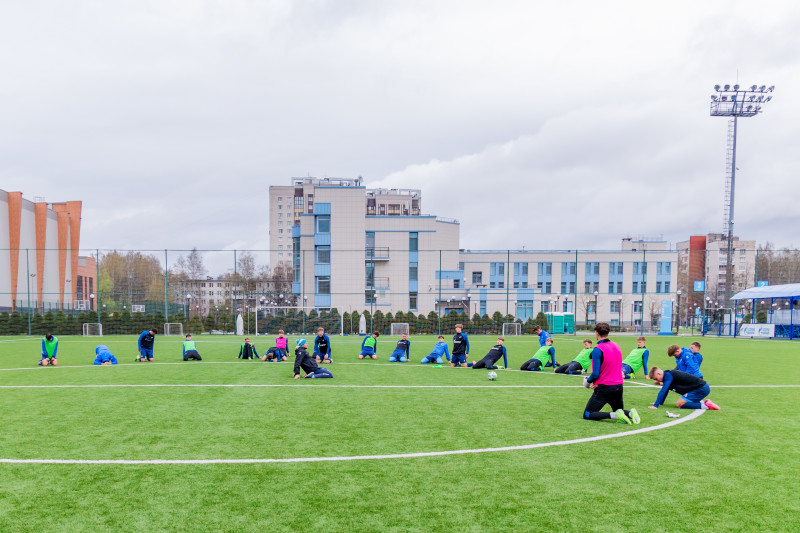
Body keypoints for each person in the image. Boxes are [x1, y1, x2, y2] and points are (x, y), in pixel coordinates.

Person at [582, 322, 640, 424]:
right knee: (619, 410)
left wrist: (587, 381)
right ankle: (631, 414)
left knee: (588, 414)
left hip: (605, 388)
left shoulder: (597, 350)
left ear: (596, 333)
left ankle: (614, 416)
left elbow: (595, 374)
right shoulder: (616, 346)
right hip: (618, 386)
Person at [648, 367, 720, 411]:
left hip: (701, 388)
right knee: (682, 402)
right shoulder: (667, 375)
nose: (657, 381)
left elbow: (663, 390)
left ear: (659, 374)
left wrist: (655, 405)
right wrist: (660, 402)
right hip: (701, 388)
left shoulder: (668, 376)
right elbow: (666, 389)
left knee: (679, 404)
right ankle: (706, 403)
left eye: (656, 379)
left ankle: (707, 406)